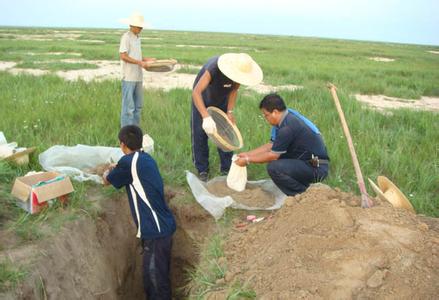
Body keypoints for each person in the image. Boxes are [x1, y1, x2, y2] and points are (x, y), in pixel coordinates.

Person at [103, 125, 176, 299]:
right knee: (159, 278)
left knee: (155, 283)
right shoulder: (146, 159)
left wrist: (108, 170)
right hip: (164, 229)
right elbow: (129, 170)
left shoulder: (128, 163)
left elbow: (107, 181)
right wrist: (119, 166)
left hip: (155, 233)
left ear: (122, 145)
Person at [235, 93, 330, 196]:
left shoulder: (287, 128)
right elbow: (271, 145)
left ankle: (303, 195)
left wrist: (248, 160)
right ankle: (305, 190)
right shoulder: (286, 118)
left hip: (316, 167)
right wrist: (247, 154)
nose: (266, 119)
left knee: (274, 167)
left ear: (275, 112)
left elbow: (272, 155)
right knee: (279, 158)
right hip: (307, 162)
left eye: (266, 115)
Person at [191, 53, 263, 182]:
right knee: (200, 134)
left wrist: (230, 111)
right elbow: (196, 92)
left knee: (226, 134)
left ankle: (226, 168)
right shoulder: (213, 68)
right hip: (202, 100)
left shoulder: (240, 76)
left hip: (222, 103)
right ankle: (202, 170)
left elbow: (234, 91)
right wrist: (205, 116)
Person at [119, 12, 156, 128]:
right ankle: (126, 133)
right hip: (129, 77)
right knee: (128, 108)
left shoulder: (137, 38)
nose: (141, 28)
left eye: (141, 27)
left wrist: (147, 59)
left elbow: (136, 56)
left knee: (138, 106)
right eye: (139, 26)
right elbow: (123, 56)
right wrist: (140, 62)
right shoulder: (126, 37)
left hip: (138, 77)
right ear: (132, 26)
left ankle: (134, 132)